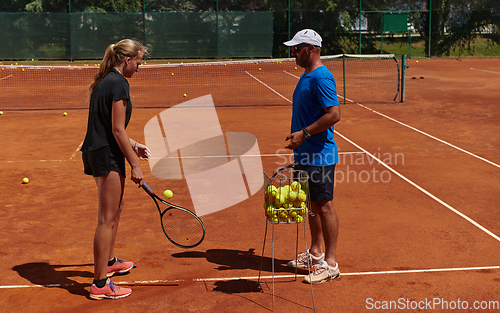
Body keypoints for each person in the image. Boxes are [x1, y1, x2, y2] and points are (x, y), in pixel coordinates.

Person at [81, 39, 151, 299]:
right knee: (106, 218)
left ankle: (109, 262)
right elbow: (117, 129)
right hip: (106, 154)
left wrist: (134, 145)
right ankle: (100, 284)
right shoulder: (120, 83)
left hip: (97, 150)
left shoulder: (106, 80)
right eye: (139, 63)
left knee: (114, 210)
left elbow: (109, 125)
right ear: (127, 60)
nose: (139, 68)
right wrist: (134, 163)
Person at [283, 29, 341, 284]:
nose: (292, 53)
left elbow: (334, 114)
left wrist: (304, 133)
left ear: (310, 49)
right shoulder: (306, 75)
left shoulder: (321, 78)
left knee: (324, 206)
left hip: (320, 155)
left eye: (296, 48)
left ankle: (330, 264)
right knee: (311, 206)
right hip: (305, 153)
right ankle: (316, 254)